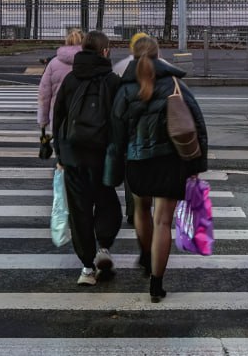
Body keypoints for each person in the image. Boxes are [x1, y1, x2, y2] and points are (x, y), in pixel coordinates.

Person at [107, 34, 209, 303]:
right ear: (158, 54)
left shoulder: (124, 88)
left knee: (141, 209)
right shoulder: (174, 83)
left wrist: (115, 169)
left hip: (137, 162)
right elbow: (196, 124)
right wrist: (196, 165)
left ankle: (145, 254)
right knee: (163, 221)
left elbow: (115, 135)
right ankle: (156, 284)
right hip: (170, 161)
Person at [51, 30, 122, 287]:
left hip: (73, 156)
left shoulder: (71, 79)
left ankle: (87, 267)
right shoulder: (113, 81)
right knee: (107, 202)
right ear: (105, 52)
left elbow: (58, 118)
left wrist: (60, 153)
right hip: (103, 157)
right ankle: (104, 246)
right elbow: (120, 120)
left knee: (79, 211)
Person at [38, 29, 83, 136]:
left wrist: (43, 120)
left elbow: (44, 94)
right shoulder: (89, 61)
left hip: (58, 116)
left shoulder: (53, 63)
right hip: (83, 117)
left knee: (60, 149)